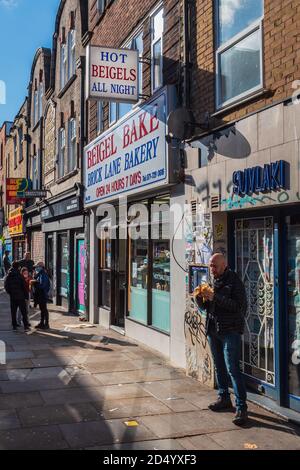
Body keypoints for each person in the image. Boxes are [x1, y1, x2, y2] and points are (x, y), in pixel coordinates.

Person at [195, 253, 248, 426]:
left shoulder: (234, 281)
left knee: (233, 368)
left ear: (224, 265)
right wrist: (199, 299)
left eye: (214, 266)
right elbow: (207, 308)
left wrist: (215, 297)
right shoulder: (211, 281)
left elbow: (239, 307)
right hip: (213, 330)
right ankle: (224, 398)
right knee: (219, 367)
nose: (212, 269)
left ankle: (241, 408)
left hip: (230, 330)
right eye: (210, 265)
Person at [4, 261, 30, 332]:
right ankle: (26, 326)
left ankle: (14, 326)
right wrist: (26, 296)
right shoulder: (19, 275)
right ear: (18, 267)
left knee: (13, 312)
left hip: (13, 297)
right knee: (23, 312)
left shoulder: (9, 275)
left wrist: (10, 292)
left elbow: (6, 286)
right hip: (20, 296)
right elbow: (24, 286)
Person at [31, 262, 51, 330]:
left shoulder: (43, 275)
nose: (36, 268)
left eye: (37, 267)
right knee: (42, 309)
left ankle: (46, 323)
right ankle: (42, 323)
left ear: (41, 267)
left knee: (44, 309)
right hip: (40, 294)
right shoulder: (40, 274)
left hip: (43, 294)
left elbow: (42, 286)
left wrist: (35, 283)